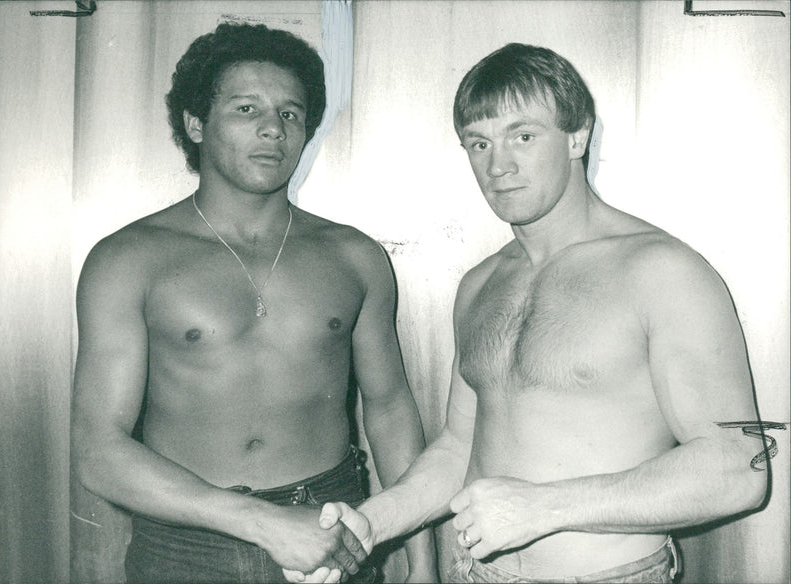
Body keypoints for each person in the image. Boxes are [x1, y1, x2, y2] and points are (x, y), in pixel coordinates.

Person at [289, 43, 770, 584]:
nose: (499, 165)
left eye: (523, 135)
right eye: (479, 143)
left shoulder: (661, 271)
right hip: (477, 574)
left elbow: (737, 467)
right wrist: (372, 525)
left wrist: (543, 508)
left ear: (578, 136)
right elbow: (459, 447)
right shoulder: (479, 285)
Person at [71, 22, 436, 584]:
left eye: (291, 114)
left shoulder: (355, 256)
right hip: (187, 546)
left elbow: (389, 409)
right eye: (246, 109)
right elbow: (100, 452)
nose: (272, 128)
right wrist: (264, 523)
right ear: (196, 124)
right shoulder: (128, 260)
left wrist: (423, 561)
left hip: (335, 530)